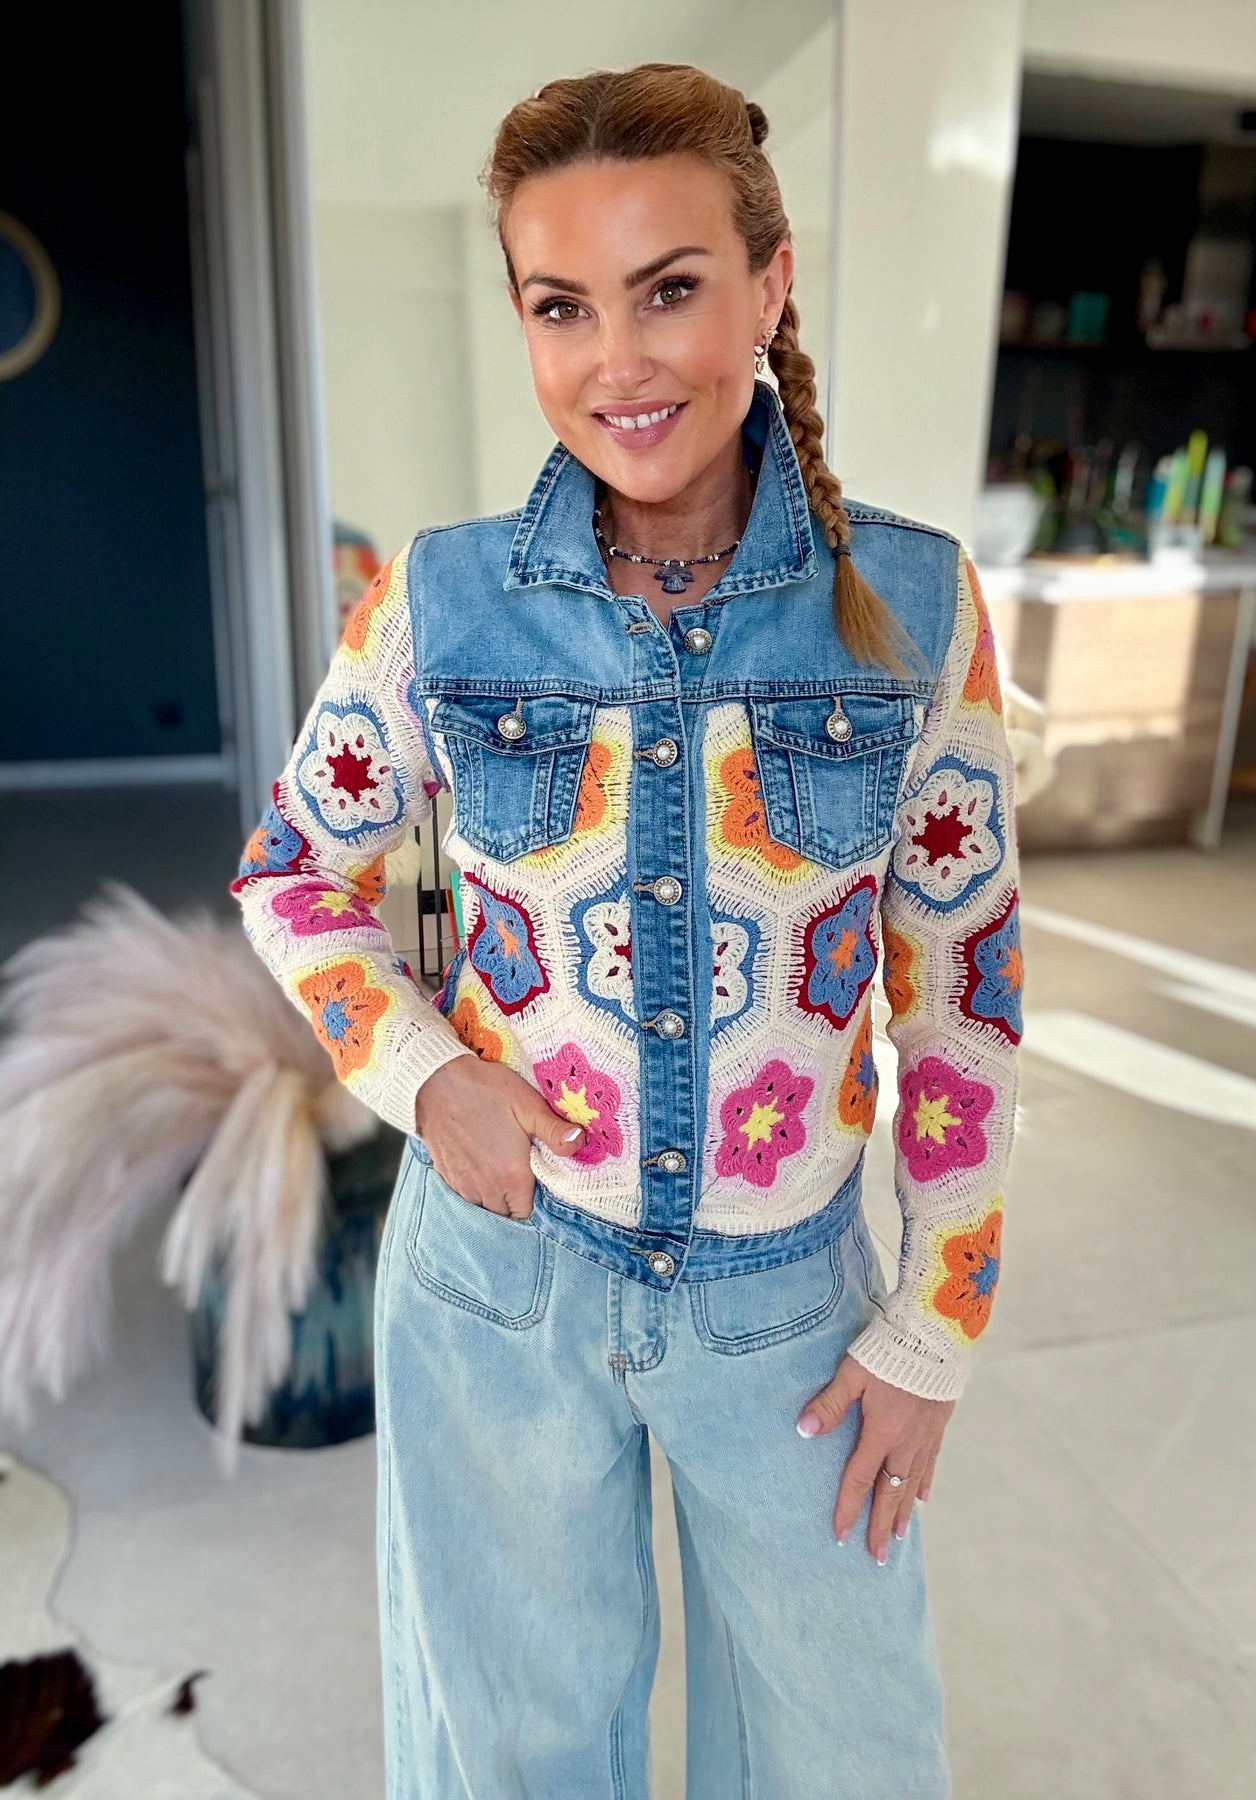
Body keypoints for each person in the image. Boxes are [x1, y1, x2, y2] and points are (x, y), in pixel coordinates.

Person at [231, 61, 1022, 1800]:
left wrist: (935, 1326)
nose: (618, 361)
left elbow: (962, 997)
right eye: (559, 306)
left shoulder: (908, 604)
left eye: (668, 289)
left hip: (788, 1308)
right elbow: (293, 870)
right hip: (498, 1285)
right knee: (513, 1758)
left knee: (846, 1755)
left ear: (770, 283)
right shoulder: (440, 599)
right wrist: (426, 1077)